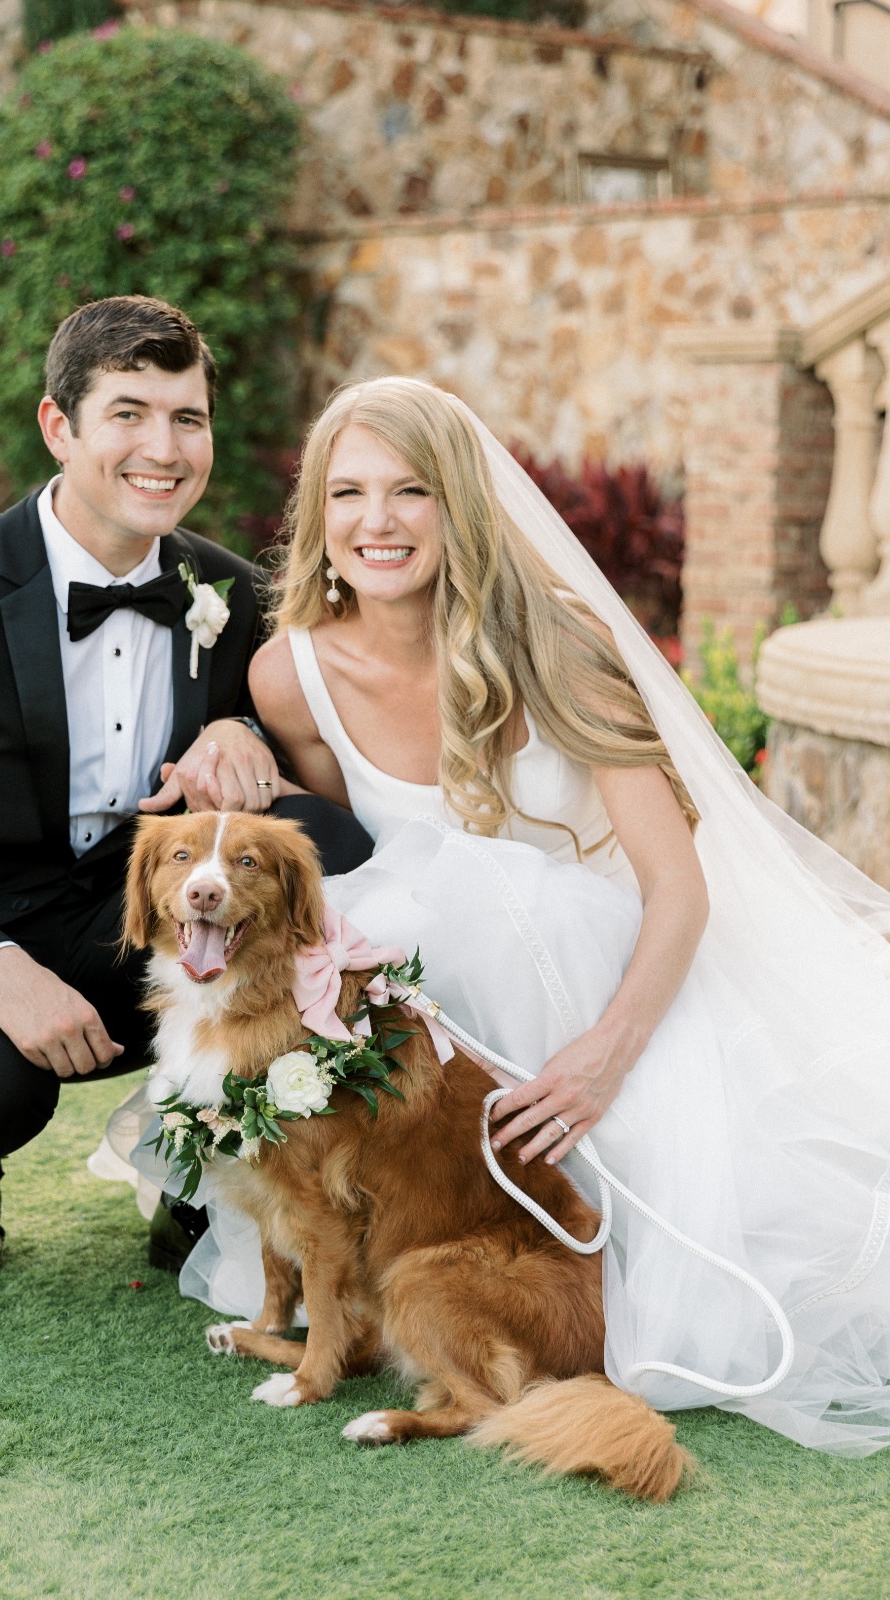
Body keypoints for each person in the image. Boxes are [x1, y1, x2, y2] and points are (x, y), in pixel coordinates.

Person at [110, 375, 890, 1458]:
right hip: (438, 999)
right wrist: (231, 739)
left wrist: (604, 1060)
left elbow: (679, 885)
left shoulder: (559, 645)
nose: (376, 522)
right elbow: (347, 845)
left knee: (718, 1260)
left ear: (461, 505)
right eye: (348, 493)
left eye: (411, 491)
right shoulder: (291, 672)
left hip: (597, 986)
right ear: (318, 516)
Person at [0, 295, 372, 1277]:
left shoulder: (231, 597)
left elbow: (308, 768)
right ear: (60, 427)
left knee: (336, 865)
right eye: (129, 413)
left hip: (127, 913)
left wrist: (242, 731)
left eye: (188, 418)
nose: (165, 447)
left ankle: (193, 1143)